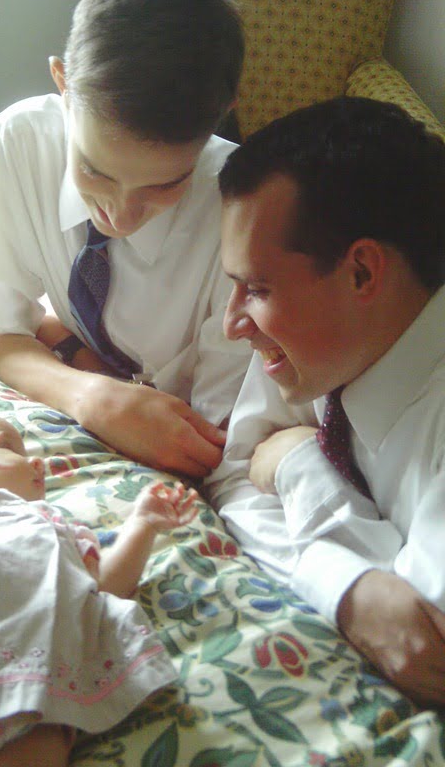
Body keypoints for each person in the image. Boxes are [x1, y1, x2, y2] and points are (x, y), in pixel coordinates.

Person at [0, 0, 252, 480]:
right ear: (63, 84)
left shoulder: (242, 210)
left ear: (220, 119)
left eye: (164, 186)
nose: (120, 216)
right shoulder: (10, 148)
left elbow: (221, 431)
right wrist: (93, 397)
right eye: (94, 170)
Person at [204, 96, 445, 707]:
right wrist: (351, 591)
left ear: (362, 272)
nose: (232, 324)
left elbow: (422, 644)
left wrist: (295, 467)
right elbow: (234, 476)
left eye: (256, 288)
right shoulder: (314, 344)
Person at [0, 399, 199, 766]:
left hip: (29, 687)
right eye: (11, 449)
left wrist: (142, 525)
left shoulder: (60, 527)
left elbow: (101, 588)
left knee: (45, 741)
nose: (37, 461)